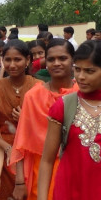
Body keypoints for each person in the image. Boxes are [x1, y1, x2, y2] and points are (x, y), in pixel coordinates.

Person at [10, 39, 77, 200]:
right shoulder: (33, 96)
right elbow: (21, 142)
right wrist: (19, 183)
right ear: (45, 62)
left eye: (62, 58)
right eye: (51, 59)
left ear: (73, 60)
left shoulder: (82, 94)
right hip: (41, 171)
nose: (56, 63)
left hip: (77, 169)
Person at [38, 40, 101, 200]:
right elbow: (47, 161)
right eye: (77, 69)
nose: (81, 76)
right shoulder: (65, 106)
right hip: (69, 191)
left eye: (89, 71)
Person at [0, 39, 41, 199]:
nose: (12, 65)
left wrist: (26, 120)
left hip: (32, 152)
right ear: (2, 60)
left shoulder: (39, 88)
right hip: (4, 154)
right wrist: (8, 149)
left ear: (28, 60)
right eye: (8, 59)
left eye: (18, 59)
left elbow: (47, 125)